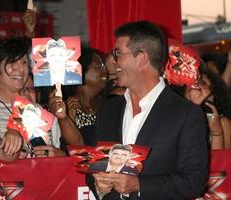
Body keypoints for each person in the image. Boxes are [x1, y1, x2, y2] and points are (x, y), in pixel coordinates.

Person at [88, 21, 208, 200]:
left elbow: (194, 182)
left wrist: (138, 185)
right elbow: (93, 170)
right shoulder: (108, 109)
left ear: (142, 58)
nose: (112, 61)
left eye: (117, 53)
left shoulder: (185, 114)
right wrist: (100, 186)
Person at [0, 38, 29, 158]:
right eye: (12, 62)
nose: (21, 69)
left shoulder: (41, 111)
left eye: (24, 62)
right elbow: (5, 156)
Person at [62, 47, 107, 146]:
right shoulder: (65, 108)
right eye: (99, 66)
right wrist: (69, 121)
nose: (105, 70)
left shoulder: (109, 104)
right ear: (80, 70)